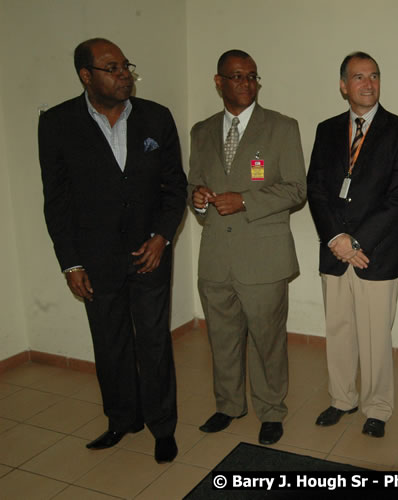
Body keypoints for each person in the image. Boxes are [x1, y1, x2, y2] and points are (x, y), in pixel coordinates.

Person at [38, 38, 186, 463]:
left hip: (150, 253)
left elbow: (174, 186)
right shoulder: (58, 123)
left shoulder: (156, 117)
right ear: (86, 76)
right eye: (112, 68)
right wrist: (71, 262)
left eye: (125, 66)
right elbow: (57, 200)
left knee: (154, 342)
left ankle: (162, 427)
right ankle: (122, 419)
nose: (125, 75)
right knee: (109, 342)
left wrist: (162, 237)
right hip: (96, 258)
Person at [188, 49, 306, 446]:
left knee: (266, 339)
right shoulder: (201, 131)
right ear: (218, 82)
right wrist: (198, 199)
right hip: (216, 257)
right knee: (221, 337)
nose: (247, 84)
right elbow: (192, 185)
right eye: (237, 77)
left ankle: (271, 410)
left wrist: (245, 201)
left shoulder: (281, 127)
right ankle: (228, 405)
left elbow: (296, 188)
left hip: (263, 257)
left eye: (252, 76)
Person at [307, 52, 398, 438]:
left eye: (374, 76)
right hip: (334, 251)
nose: (368, 84)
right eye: (358, 77)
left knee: (374, 336)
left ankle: (377, 407)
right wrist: (336, 239)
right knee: (338, 330)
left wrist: (356, 241)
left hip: (376, 253)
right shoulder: (326, 129)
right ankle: (342, 399)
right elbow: (316, 190)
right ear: (343, 86)